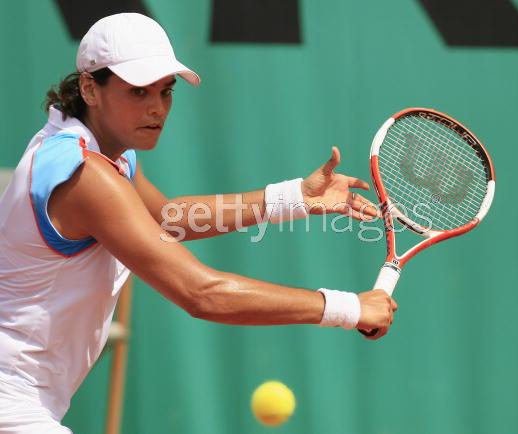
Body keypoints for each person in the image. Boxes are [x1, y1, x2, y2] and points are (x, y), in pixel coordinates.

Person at [0, 13, 397, 433]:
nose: (156, 108)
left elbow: (167, 217)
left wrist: (294, 197)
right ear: (89, 88)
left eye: (165, 91)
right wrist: (348, 308)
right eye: (137, 91)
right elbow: (202, 293)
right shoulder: (84, 173)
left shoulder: (96, 151)